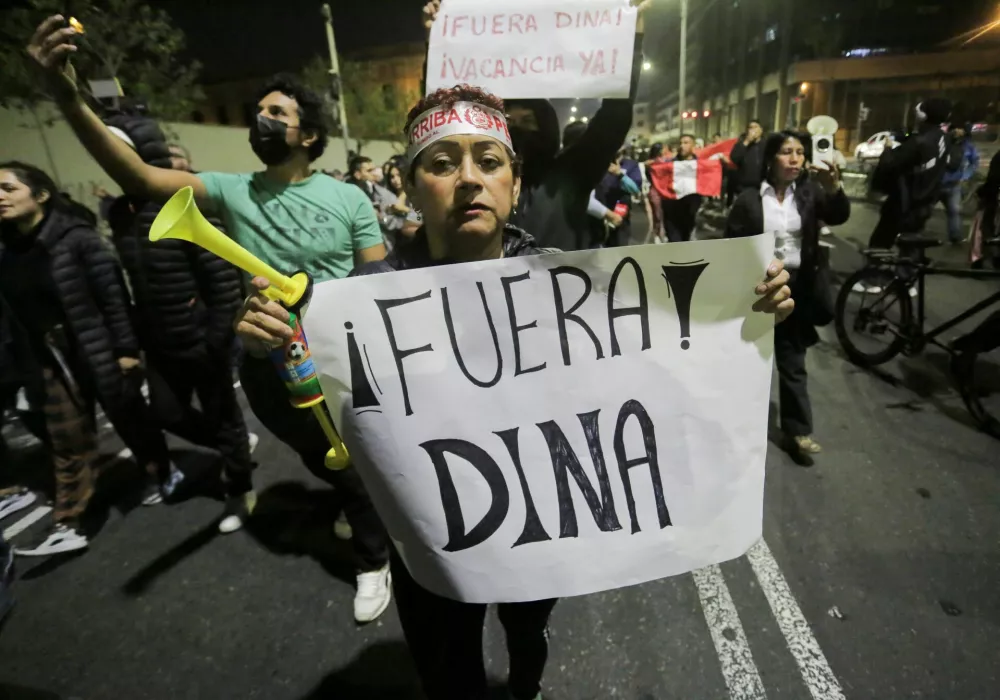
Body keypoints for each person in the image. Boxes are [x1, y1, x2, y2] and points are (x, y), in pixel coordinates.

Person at [235, 83, 796, 700]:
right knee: (450, 671)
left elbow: (655, 352)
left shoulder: (565, 283)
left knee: (527, 636)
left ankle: (524, 685)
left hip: (539, 522)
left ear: (515, 185)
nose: (470, 179)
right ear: (413, 186)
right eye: (443, 163)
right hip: (434, 543)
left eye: (489, 161)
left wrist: (745, 303)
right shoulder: (361, 304)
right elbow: (316, 423)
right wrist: (271, 355)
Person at [27, 17, 391, 621]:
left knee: (355, 465)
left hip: (340, 361)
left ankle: (373, 559)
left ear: (309, 133)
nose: (262, 120)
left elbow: (375, 281)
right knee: (325, 458)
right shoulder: (230, 188)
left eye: (277, 112)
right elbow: (137, 177)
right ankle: (362, 513)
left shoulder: (350, 198)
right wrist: (68, 96)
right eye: (260, 110)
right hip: (267, 366)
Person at [0, 161, 170, 556]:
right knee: (66, 437)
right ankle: (69, 521)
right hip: (50, 357)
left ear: (40, 195)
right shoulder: (8, 251)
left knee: (129, 417)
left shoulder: (77, 238)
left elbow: (112, 297)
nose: (0, 197)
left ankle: (160, 471)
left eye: (9, 188)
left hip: (97, 347)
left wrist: (126, 350)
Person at [103, 113, 258, 516]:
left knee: (223, 416)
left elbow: (221, 280)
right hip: (159, 342)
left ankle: (240, 487)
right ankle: (233, 448)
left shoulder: (189, 205)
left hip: (200, 338)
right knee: (166, 413)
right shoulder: (120, 213)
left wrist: (216, 335)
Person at [418, 0, 652, 251]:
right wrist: (437, 42)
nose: (518, 131)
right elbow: (443, 116)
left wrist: (631, 32)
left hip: (562, 287)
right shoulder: (476, 180)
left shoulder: (571, 174)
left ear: (546, 126)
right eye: (509, 123)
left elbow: (615, 115)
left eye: (528, 122)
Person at [725, 131, 850, 467]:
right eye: (786, 152)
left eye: (799, 152)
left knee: (792, 362)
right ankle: (738, 428)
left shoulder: (810, 194)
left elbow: (839, 214)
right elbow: (730, 245)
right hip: (759, 288)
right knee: (750, 362)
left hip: (798, 288)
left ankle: (798, 431)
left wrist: (834, 187)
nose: (795, 158)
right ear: (770, 159)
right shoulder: (749, 199)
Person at [866, 98, 951, 251]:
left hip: (904, 202)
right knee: (911, 244)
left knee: (880, 242)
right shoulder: (943, 138)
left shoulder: (919, 142)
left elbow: (889, 164)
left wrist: (887, 149)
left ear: (923, 116)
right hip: (926, 201)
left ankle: (875, 273)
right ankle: (907, 271)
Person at [349, 155, 410, 249]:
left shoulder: (385, 194)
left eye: (374, 169)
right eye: (369, 171)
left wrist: (382, 218)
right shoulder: (347, 196)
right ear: (357, 174)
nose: (374, 173)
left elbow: (400, 222)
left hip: (388, 248)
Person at [940, 124, 980, 245]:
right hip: (938, 183)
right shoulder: (944, 141)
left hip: (953, 184)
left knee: (954, 211)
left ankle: (955, 237)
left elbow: (975, 162)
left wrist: (965, 176)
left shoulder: (968, 146)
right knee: (924, 209)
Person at [592, 151, 642, 247]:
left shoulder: (631, 165)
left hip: (620, 217)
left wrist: (620, 174)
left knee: (619, 251)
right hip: (598, 215)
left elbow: (635, 189)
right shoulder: (598, 163)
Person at [661, 134, 704, 243]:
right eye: (680, 143)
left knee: (686, 242)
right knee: (675, 243)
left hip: (690, 211)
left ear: (693, 146)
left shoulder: (700, 164)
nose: (682, 146)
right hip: (672, 210)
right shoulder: (670, 164)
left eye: (686, 143)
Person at [729, 119, 765, 195]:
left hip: (761, 187)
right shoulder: (741, 145)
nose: (753, 130)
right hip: (743, 188)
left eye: (755, 127)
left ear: (761, 130)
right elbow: (734, 158)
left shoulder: (766, 145)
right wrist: (747, 141)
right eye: (750, 128)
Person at [644, 142, 670, 243]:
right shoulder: (650, 163)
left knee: (665, 213)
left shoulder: (667, 161)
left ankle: (663, 233)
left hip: (666, 190)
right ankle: (657, 233)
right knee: (658, 213)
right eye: (664, 148)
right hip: (656, 190)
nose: (666, 150)